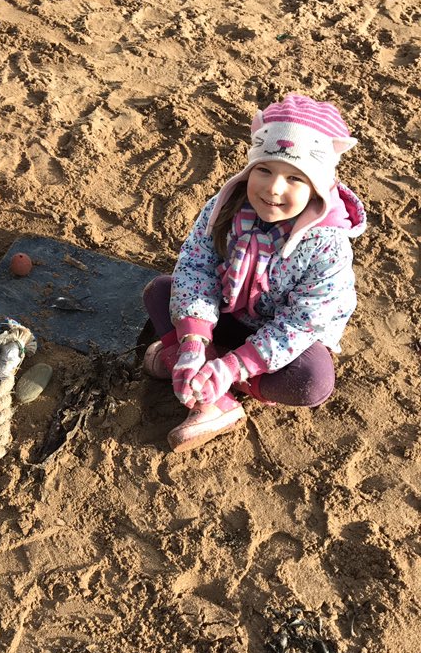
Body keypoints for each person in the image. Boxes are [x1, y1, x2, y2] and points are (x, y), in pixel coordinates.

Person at [142, 93, 366, 453]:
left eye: (295, 177)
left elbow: (300, 324)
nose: (274, 188)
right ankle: (205, 380)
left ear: (317, 187)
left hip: (283, 338)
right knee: (160, 291)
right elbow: (195, 268)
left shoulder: (328, 245)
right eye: (264, 169)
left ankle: (218, 388)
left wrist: (231, 368)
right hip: (232, 313)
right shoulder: (224, 208)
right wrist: (194, 343)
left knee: (313, 380)